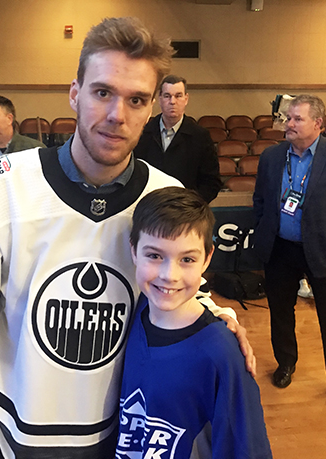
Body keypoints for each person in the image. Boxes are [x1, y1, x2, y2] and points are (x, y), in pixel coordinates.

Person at [0, 17, 254, 459]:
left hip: (120, 424)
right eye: (103, 92)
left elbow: (177, 281)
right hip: (19, 427)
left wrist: (216, 316)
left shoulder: (164, 192)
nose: (117, 114)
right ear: (74, 93)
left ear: (151, 108)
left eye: (136, 100)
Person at [117, 187, 272, 459]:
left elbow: (246, 448)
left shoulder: (222, 354)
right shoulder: (135, 312)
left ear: (207, 258)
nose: (169, 275)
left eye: (187, 259)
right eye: (154, 255)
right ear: (134, 251)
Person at [253, 94, 326, 411]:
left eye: (296, 119)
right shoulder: (270, 156)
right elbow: (260, 201)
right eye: (287, 118)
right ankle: (285, 363)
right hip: (280, 248)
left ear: (318, 124)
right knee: (280, 312)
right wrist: (264, 228)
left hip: (325, 250)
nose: (288, 124)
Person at [134, 75, 221, 203]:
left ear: (186, 99)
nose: (172, 101)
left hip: (185, 213)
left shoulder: (200, 136)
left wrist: (190, 205)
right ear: (159, 99)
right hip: (148, 210)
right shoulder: (142, 132)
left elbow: (211, 182)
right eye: (167, 96)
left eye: (178, 96)